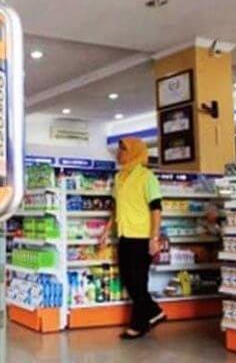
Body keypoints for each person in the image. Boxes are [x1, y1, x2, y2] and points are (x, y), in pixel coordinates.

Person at [99, 137, 166, 339]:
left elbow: (156, 209)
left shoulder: (147, 177)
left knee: (137, 282)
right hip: (125, 235)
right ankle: (150, 316)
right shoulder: (119, 178)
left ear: (135, 153)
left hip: (142, 237)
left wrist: (154, 238)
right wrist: (107, 230)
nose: (119, 154)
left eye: (124, 150)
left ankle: (143, 321)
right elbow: (116, 208)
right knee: (131, 281)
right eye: (119, 150)